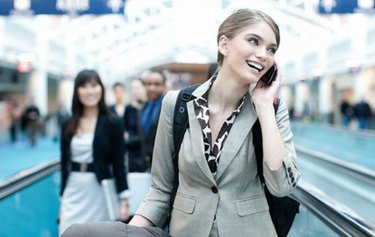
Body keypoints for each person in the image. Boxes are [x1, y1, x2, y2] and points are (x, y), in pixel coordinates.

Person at [61, 8, 300, 237]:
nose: (264, 55)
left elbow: (280, 186)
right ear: (224, 44)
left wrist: (265, 106)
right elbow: (161, 191)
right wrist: (130, 233)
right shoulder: (177, 104)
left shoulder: (272, 109)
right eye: (254, 41)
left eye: (271, 49)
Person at [59, 69, 130, 235]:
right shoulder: (68, 124)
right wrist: (62, 196)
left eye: (94, 85)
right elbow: (64, 164)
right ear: (77, 91)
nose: (90, 91)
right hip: (73, 190)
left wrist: (124, 200)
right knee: (67, 231)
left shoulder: (113, 123)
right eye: (84, 86)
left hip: (100, 190)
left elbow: (119, 163)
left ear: (101, 89)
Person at [140, 70, 167, 171]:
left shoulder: (168, 106)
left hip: (163, 164)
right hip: (146, 163)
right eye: (149, 84)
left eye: (157, 84)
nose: (152, 88)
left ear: (164, 86)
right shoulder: (144, 108)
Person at [124, 78, 148, 172]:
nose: (134, 91)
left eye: (137, 88)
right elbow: (125, 128)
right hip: (132, 152)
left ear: (144, 88)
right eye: (132, 88)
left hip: (147, 152)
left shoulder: (149, 107)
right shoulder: (129, 108)